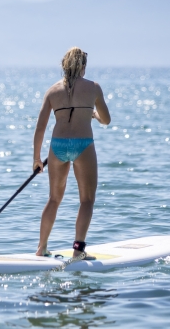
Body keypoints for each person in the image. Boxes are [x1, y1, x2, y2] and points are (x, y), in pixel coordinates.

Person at [32, 47, 111, 260]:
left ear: (64, 66)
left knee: (54, 199)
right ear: (83, 67)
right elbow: (107, 119)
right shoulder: (93, 88)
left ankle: (41, 248)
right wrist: (93, 115)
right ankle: (78, 250)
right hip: (83, 145)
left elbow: (40, 128)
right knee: (86, 200)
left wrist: (37, 159)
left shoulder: (52, 91)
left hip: (57, 147)